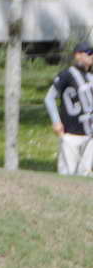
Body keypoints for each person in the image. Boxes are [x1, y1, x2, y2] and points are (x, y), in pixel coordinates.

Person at [44, 42, 93, 176]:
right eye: (88, 53)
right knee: (67, 172)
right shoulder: (67, 74)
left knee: (86, 174)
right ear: (78, 55)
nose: (91, 56)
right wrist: (56, 121)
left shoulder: (90, 77)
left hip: (89, 134)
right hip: (71, 133)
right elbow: (49, 98)